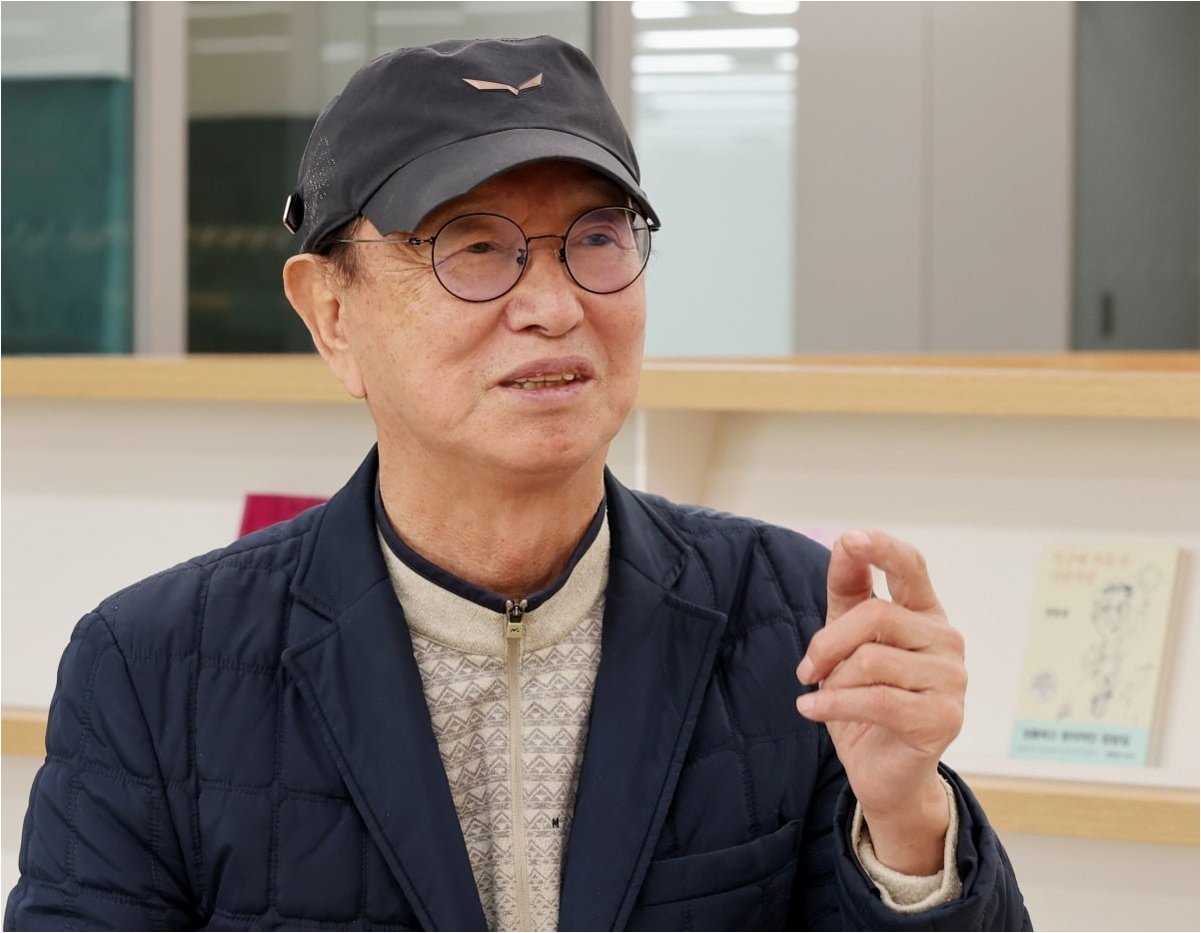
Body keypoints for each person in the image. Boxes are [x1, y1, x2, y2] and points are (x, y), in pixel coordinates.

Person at [5, 36, 1029, 931]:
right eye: (474, 247)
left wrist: (906, 819)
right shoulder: (153, 670)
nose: (554, 305)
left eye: (597, 239)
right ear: (331, 313)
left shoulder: (793, 621)